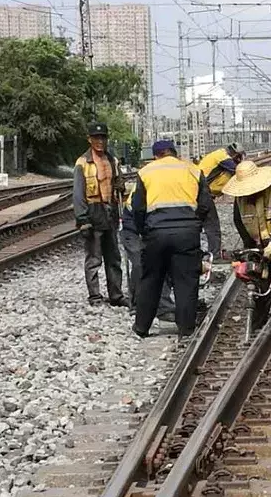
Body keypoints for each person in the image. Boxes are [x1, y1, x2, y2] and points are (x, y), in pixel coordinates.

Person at [131, 139, 221, 339]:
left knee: (151, 279)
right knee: (186, 281)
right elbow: (205, 204)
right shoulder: (192, 170)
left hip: (156, 233)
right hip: (187, 233)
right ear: (175, 153)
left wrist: (143, 231)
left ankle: (142, 327)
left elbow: (138, 207)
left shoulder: (146, 172)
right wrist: (194, 225)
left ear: (156, 155)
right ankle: (186, 329)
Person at [72, 121, 128, 307]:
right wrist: (82, 219)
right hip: (93, 211)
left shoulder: (113, 160)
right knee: (94, 257)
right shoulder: (83, 163)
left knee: (113, 256)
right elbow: (78, 193)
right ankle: (95, 296)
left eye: (103, 137)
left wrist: (121, 186)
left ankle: (116, 295)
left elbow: (120, 186)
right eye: (96, 138)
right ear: (89, 139)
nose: (100, 141)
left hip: (110, 210)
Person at [222, 160, 271, 329]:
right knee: (261, 281)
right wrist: (250, 249)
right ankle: (257, 321)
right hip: (259, 243)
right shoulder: (240, 201)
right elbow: (239, 222)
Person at [120, 177, 175, 322]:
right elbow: (137, 214)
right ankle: (138, 304)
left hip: (152, 229)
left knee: (163, 260)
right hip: (133, 230)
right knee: (140, 262)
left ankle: (163, 307)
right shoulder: (145, 186)